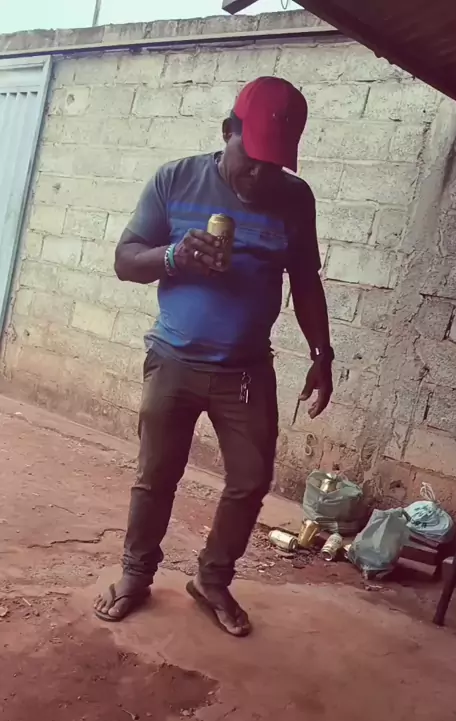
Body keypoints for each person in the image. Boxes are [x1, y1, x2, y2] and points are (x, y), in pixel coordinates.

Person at [94, 76, 334, 636]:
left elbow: (305, 280)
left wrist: (322, 353)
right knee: (156, 476)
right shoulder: (175, 179)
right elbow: (125, 261)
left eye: (274, 165)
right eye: (252, 160)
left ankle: (212, 580)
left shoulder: (295, 198)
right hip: (173, 361)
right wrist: (173, 257)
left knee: (251, 480)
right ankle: (135, 575)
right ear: (229, 131)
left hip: (246, 369)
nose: (260, 176)